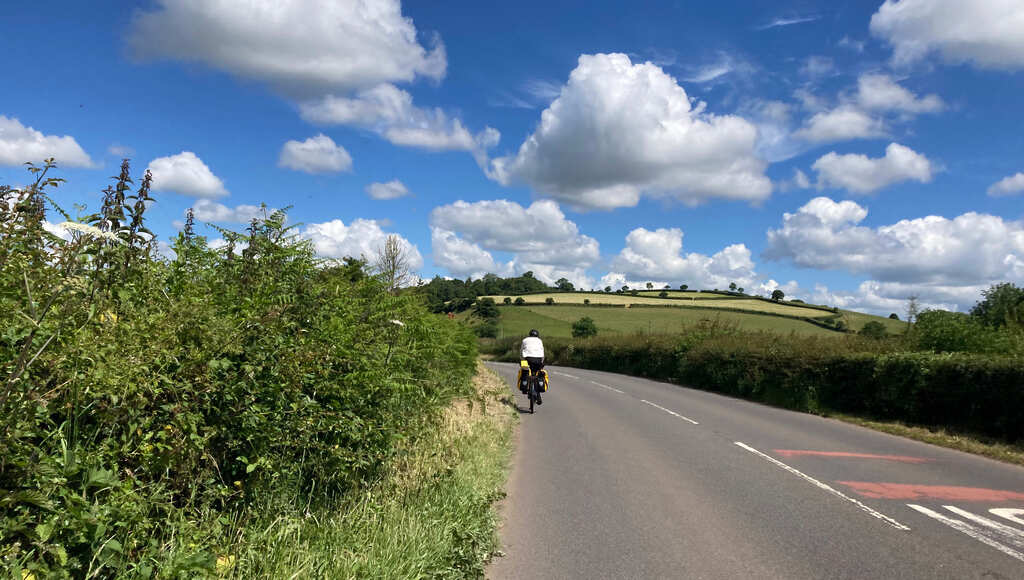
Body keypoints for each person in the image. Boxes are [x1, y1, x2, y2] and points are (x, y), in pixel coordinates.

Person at [521, 329, 544, 404]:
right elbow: (542, 352)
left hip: (528, 359)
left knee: (525, 371)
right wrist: (542, 362)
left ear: (529, 334)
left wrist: (522, 359)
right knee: (537, 374)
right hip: (538, 359)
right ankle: (538, 395)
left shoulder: (525, 340)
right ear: (537, 335)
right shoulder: (540, 341)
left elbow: (521, 351)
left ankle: (524, 387)